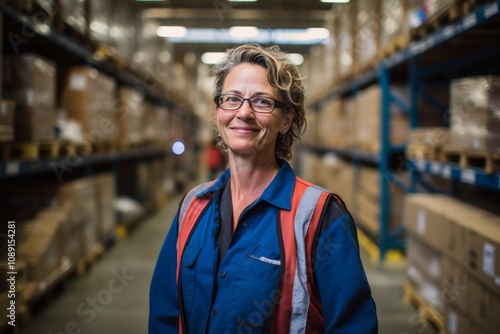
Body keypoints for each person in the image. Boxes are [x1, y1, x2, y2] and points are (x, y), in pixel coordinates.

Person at [149, 44, 378, 333]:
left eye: (261, 102)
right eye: (232, 99)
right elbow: (165, 312)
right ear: (218, 111)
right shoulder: (192, 207)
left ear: (286, 120)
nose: (243, 113)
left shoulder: (320, 218)